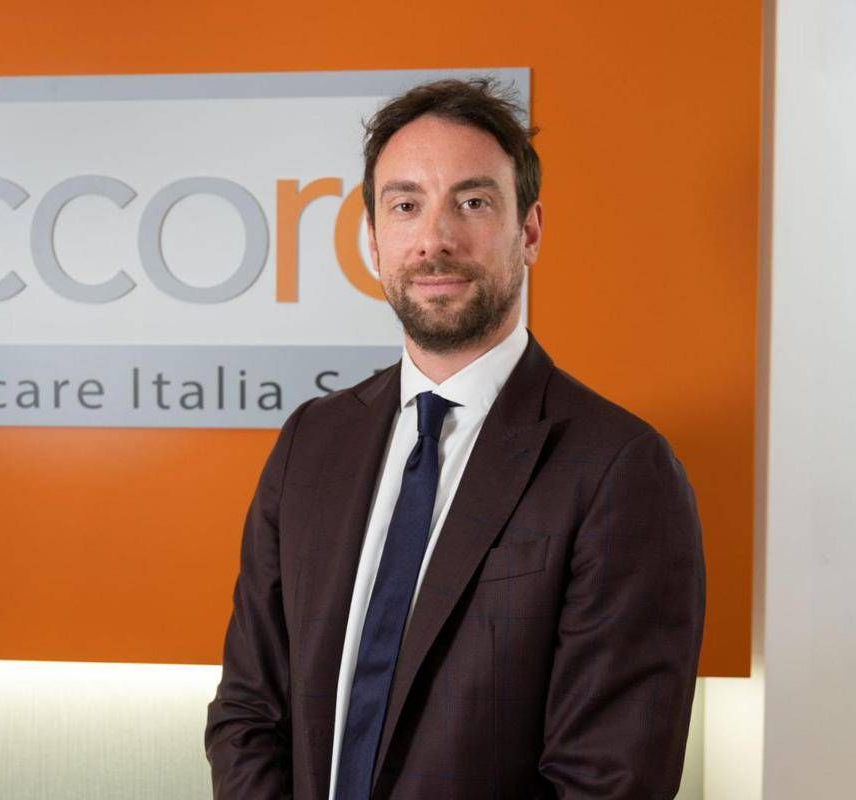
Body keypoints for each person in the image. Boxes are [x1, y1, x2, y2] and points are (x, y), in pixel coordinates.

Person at [205, 77, 705, 800]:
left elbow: (608, 780)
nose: (434, 240)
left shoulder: (619, 470)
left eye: (473, 202)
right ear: (373, 240)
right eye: (406, 205)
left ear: (529, 232)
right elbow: (250, 712)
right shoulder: (312, 443)